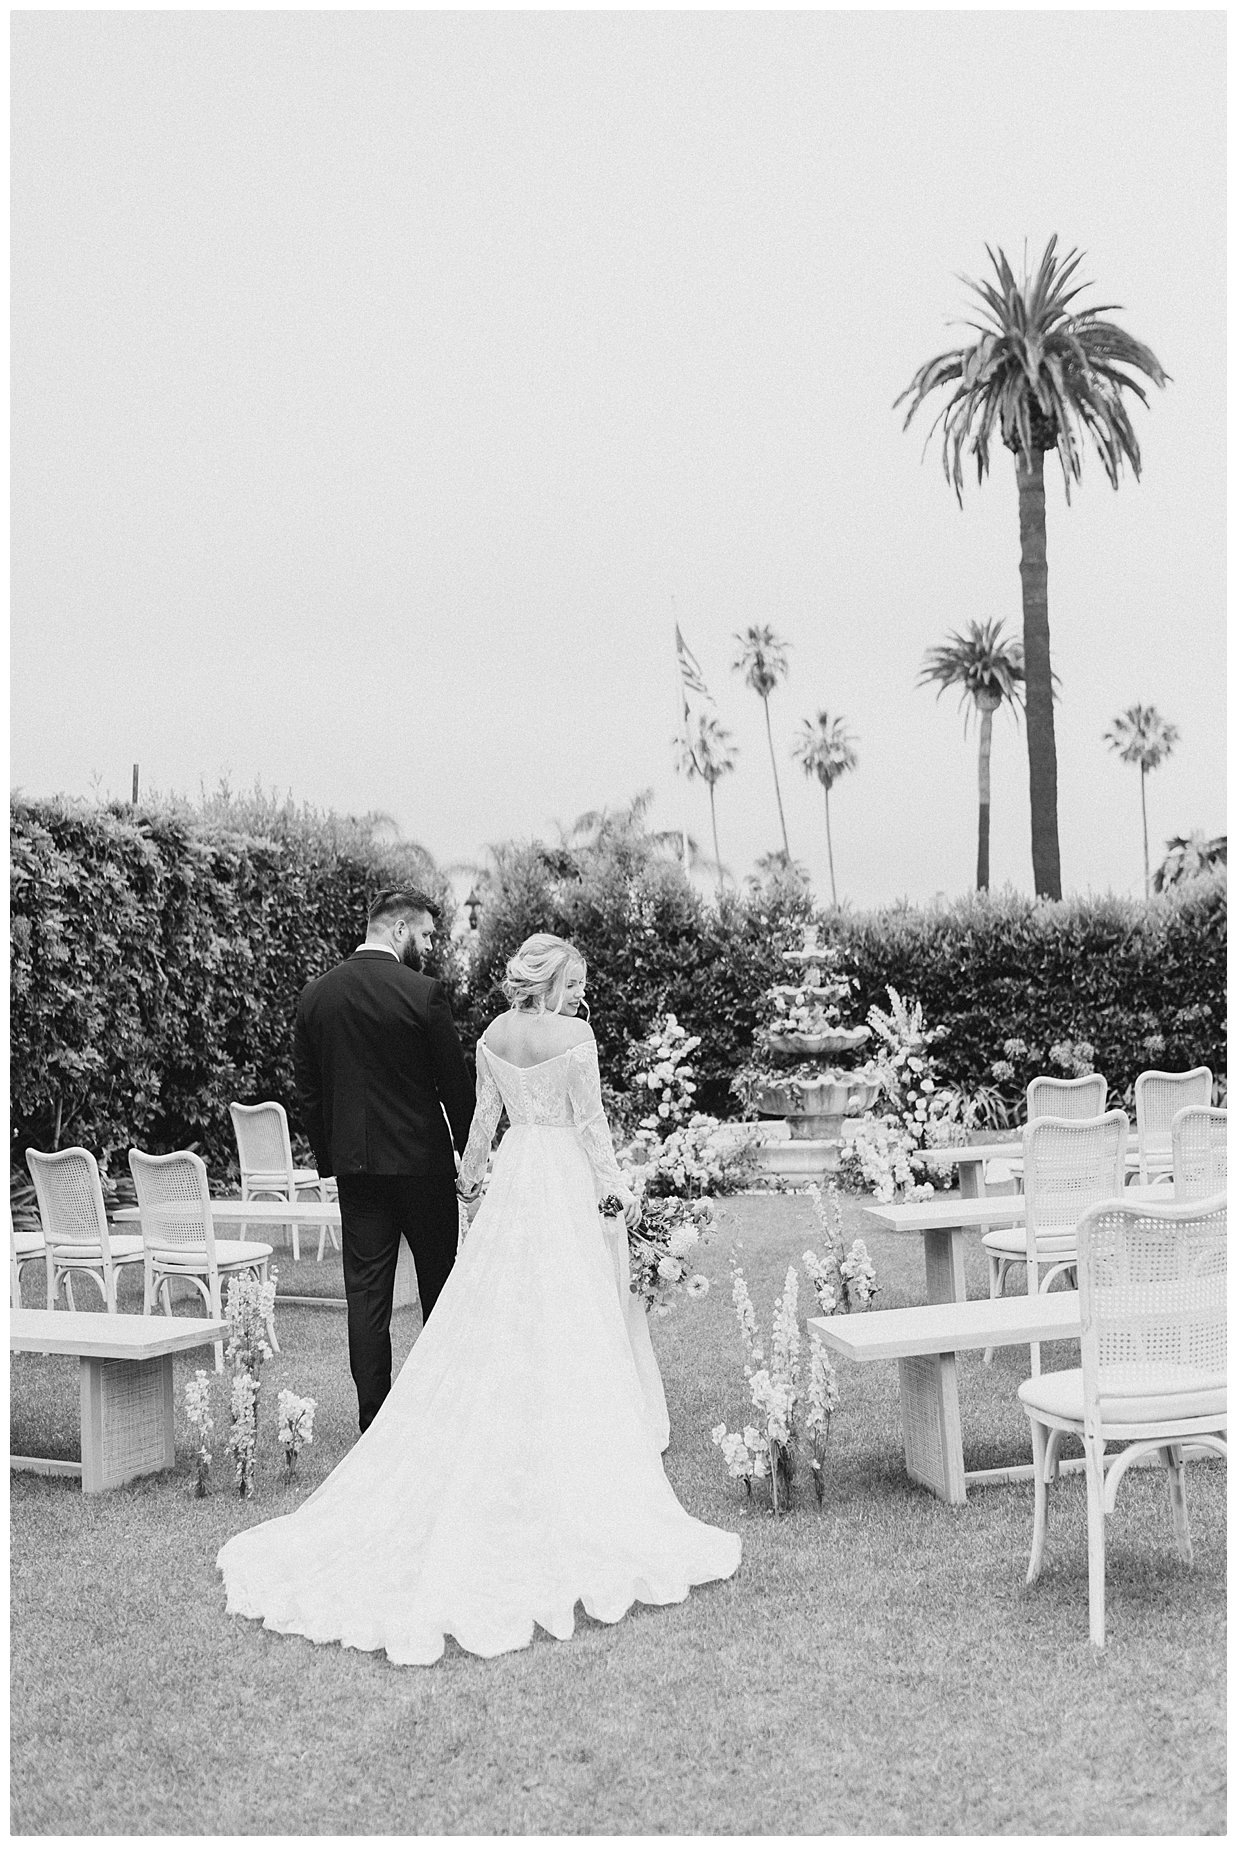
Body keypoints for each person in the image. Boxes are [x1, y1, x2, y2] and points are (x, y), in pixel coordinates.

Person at [218, 932, 740, 1665]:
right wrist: (615, 1188)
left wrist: (470, 1189)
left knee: (498, 1312)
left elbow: (480, 1127)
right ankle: (568, 1437)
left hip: (515, 1176)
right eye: (576, 978)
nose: (579, 990)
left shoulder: (492, 1034)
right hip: (558, 1178)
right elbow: (590, 1124)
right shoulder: (576, 1036)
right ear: (555, 979)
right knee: (569, 1313)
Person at [292, 886, 474, 1432]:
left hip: (358, 1171)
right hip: (423, 1169)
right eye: (424, 935)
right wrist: (468, 1155)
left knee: (366, 1296)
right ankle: (444, 1410)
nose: (427, 947)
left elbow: (309, 1094)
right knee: (440, 1288)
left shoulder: (316, 995)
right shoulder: (424, 994)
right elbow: (455, 1088)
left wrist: (333, 1161)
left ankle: (374, 1421)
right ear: (398, 930)